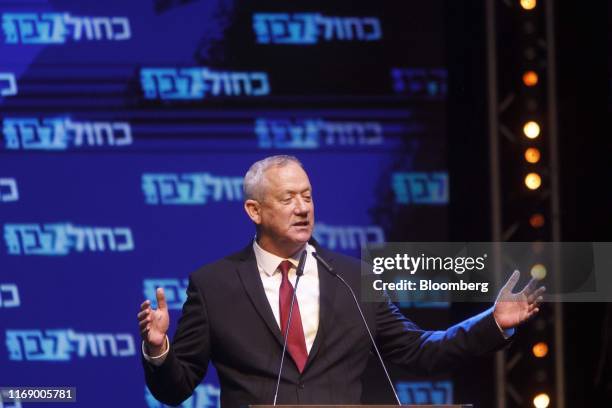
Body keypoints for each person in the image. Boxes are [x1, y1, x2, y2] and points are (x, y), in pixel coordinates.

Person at [138, 155, 544, 407]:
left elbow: (420, 351)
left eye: (308, 196)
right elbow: (175, 390)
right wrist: (159, 350)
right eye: (288, 199)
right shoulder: (213, 285)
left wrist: (491, 321)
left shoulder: (353, 278)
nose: (302, 209)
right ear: (254, 210)